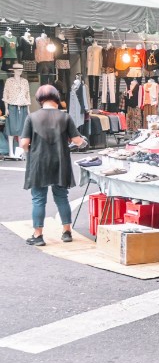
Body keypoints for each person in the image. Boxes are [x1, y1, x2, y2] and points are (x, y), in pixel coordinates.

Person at [20, 85, 86, 246]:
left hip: (38, 162)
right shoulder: (65, 118)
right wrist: (83, 142)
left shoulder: (32, 117)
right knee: (61, 197)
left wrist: (30, 151)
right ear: (56, 98)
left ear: (40, 100)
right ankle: (67, 232)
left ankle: (38, 235)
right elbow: (77, 141)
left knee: (38, 199)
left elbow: (24, 143)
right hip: (60, 162)